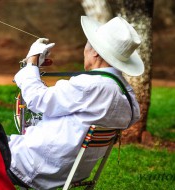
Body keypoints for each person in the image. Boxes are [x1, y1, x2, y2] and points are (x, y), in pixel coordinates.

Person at [9, 16, 144, 189]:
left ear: (95, 52)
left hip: (34, 165)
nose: (84, 51)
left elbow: (37, 99)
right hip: (73, 171)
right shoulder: (127, 95)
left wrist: (31, 62)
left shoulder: (91, 86)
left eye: (87, 45)